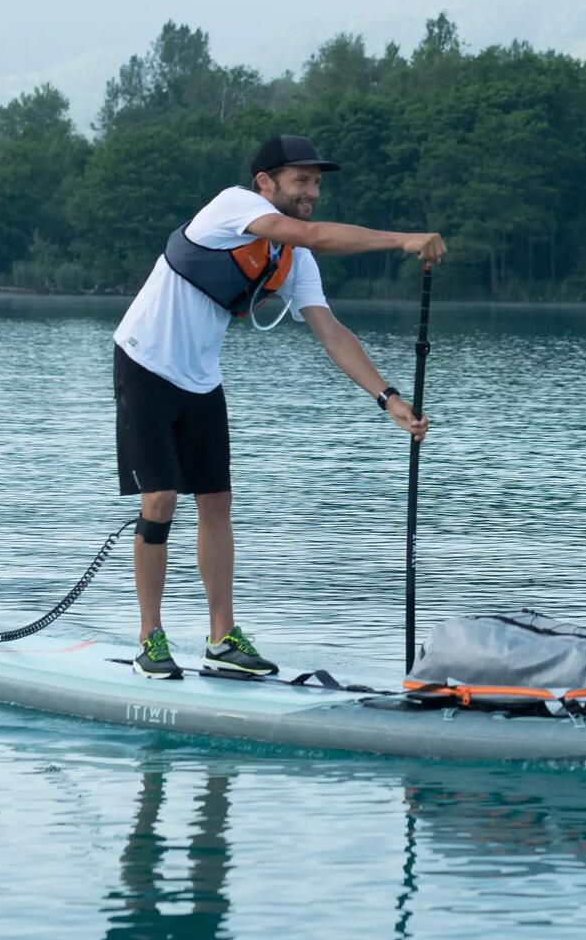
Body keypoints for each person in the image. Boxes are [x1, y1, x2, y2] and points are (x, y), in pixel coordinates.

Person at [111, 134, 445, 679]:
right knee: (163, 499)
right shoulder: (233, 206)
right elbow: (310, 231)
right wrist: (403, 239)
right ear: (265, 183)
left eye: (316, 182)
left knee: (216, 501)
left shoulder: (295, 259)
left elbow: (331, 331)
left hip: (200, 378)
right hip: (144, 362)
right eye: (301, 180)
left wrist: (387, 398)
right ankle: (150, 638)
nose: (311, 191)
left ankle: (221, 639)